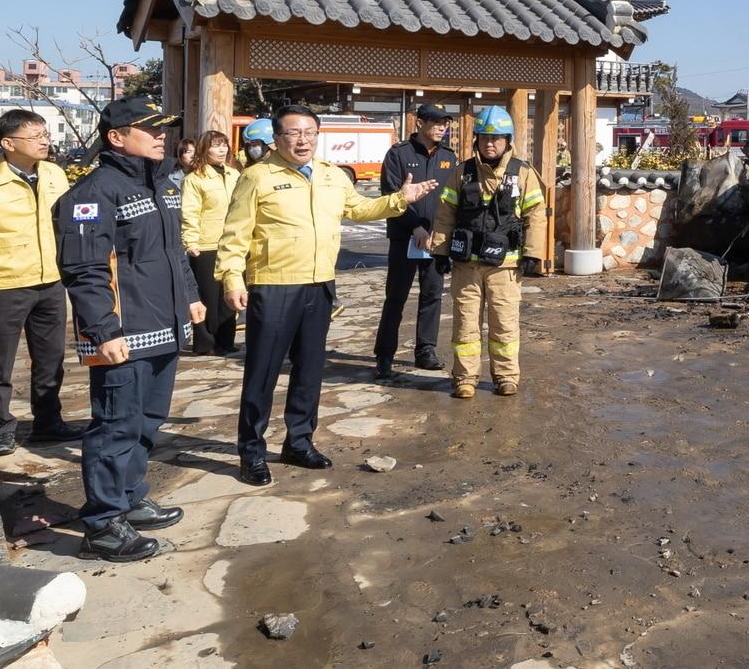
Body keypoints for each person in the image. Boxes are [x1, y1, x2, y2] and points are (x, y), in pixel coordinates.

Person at [217, 104, 438, 486]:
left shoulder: (332, 176)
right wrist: (232, 279)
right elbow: (234, 234)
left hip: (319, 284)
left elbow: (360, 208)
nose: (302, 140)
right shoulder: (257, 178)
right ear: (277, 138)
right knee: (262, 374)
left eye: (309, 133)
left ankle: (298, 442)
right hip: (273, 284)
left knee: (308, 371)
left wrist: (401, 198)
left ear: (318, 136)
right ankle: (251, 451)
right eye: (293, 133)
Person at [55, 97, 204, 563]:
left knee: (146, 423)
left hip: (164, 323)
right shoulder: (94, 192)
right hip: (122, 332)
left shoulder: (161, 184)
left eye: (164, 129)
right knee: (114, 427)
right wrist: (103, 330)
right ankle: (102, 524)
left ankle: (130, 498)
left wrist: (191, 296)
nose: (163, 136)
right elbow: (85, 270)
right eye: (150, 129)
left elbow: (173, 251)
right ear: (116, 137)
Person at [0, 110, 85, 457]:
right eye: (35, 136)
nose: (44, 141)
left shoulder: (56, 174)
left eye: (45, 134)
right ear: (8, 144)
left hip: (51, 280)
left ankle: (48, 421)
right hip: (4, 283)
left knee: (51, 357)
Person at [431, 105, 547, 399]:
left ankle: (506, 377)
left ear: (508, 140)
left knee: (504, 325)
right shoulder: (462, 173)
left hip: (505, 268)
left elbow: (536, 214)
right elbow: (445, 213)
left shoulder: (523, 173)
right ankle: (465, 379)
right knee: (465, 324)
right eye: (484, 138)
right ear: (476, 140)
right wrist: (441, 250)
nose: (490, 143)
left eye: (496, 138)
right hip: (466, 266)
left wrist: (533, 254)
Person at [372, 103, 458, 378]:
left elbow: (451, 200)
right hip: (404, 239)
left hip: (436, 240)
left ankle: (426, 351)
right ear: (419, 122)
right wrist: (414, 227)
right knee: (395, 298)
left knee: (432, 296)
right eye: (435, 121)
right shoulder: (399, 154)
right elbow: (390, 195)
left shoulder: (449, 157)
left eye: (445, 122)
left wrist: (442, 233)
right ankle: (384, 356)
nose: (442, 127)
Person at [181, 130, 241, 357]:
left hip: (233, 243)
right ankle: (205, 343)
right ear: (205, 149)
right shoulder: (195, 178)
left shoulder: (235, 174)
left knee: (229, 295)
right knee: (208, 296)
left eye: (224, 145)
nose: (222, 150)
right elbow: (190, 212)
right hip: (206, 244)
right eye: (216, 146)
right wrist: (190, 240)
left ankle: (226, 341)